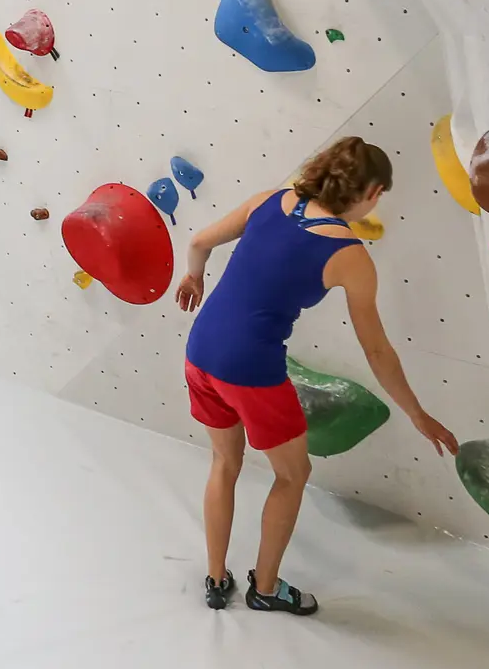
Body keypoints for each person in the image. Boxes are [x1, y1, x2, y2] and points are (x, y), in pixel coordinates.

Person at [173, 136, 458, 615]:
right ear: (370, 193)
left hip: (200, 352)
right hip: (251, 370)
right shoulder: (351, 256)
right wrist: (417, 414)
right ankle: (264, 589)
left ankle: (216, 578)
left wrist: (194, 276)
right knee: (294, 473)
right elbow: (377, 351)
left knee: (225, 463)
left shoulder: (271, 199)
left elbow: (199, 241)